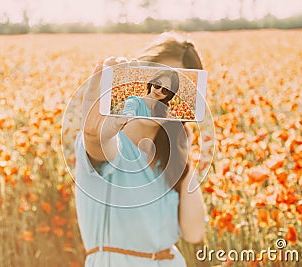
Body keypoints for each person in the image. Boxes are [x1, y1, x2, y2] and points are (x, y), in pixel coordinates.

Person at [74, 32, 206, 267]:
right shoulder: (110, 141)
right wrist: (93, 133)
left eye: (170, 90)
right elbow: (98, 144)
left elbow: (194, 233)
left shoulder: (168, 159)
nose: (159, 94)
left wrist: (184, 154)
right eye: (156, 82)